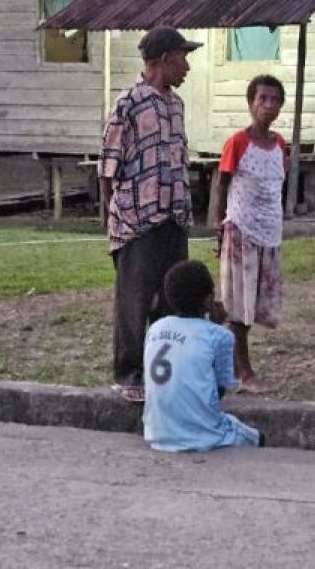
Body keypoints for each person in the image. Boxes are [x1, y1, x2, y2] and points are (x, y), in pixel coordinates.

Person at [99, 25, 202, 403]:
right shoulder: (128, 103)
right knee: (135, 300)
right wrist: (114, 219)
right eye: (183, 57)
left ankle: (164, 374)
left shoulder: (176, 105)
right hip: (137, 221)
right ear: (163, 60)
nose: (187, 66)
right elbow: (108, 168)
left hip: (173, 216)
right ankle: (128, 373)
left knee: (171, 299)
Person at [211, 75, 287, 394]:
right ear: (251, 103)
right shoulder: (238, 143)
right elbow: (221, 183)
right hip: (240, 232)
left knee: (253, 305)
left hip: (268, 233)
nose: (268, 105)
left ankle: (221, 359)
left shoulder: (281, 144)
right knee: (238, 306)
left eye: (274, 100)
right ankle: (245, 372)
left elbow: (274, 185)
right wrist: (216, 224)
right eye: (262, 99)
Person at [143, 261, 265, 452]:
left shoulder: (156, 328)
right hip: (202, 436)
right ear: (209, 300)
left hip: (156, 433)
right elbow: (219, 392)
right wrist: (217, 324)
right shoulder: (219, 335)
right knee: (257, 438)